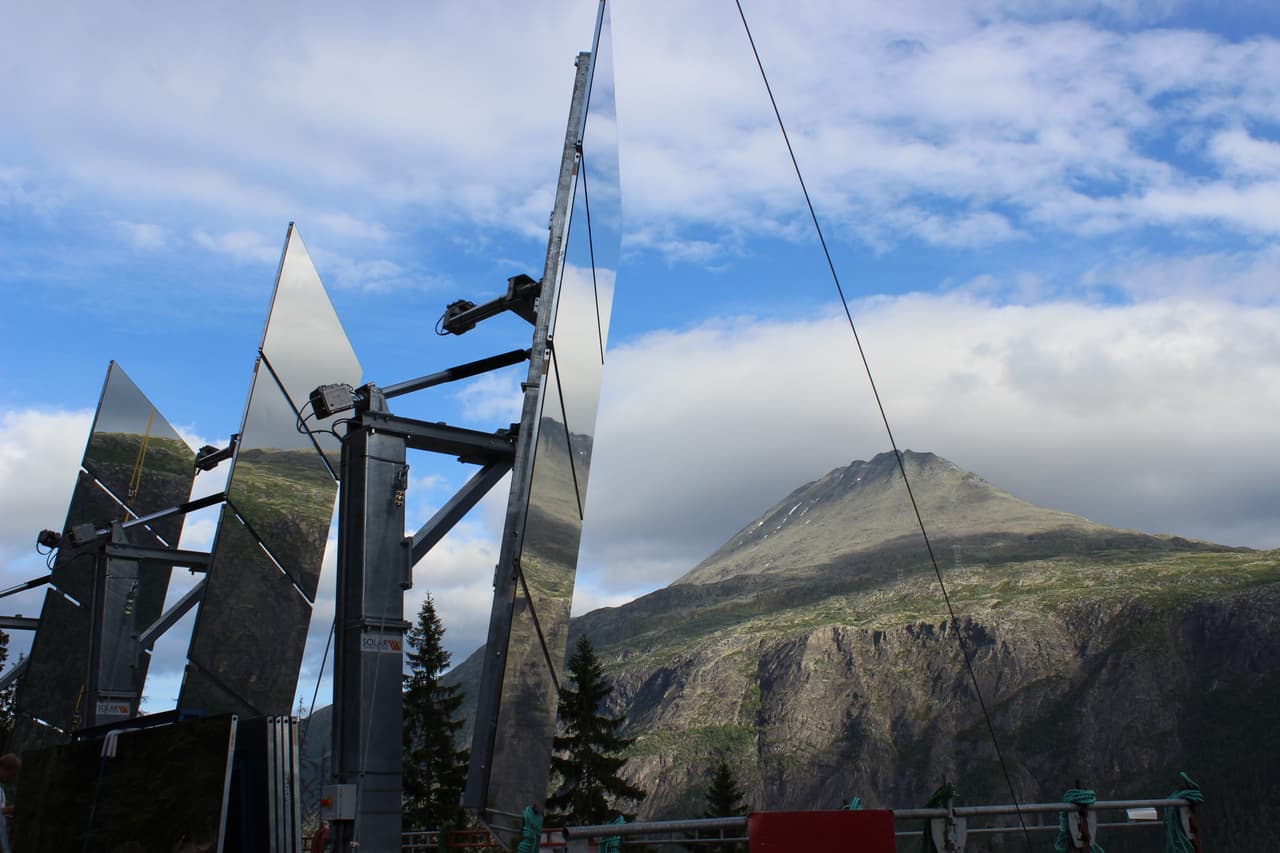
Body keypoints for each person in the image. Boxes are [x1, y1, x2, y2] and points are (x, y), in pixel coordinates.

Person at [0, 753, 20, 853]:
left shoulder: (1, 790)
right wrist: (8, 810)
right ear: (3, 768)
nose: (10, 778)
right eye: (11, 774)